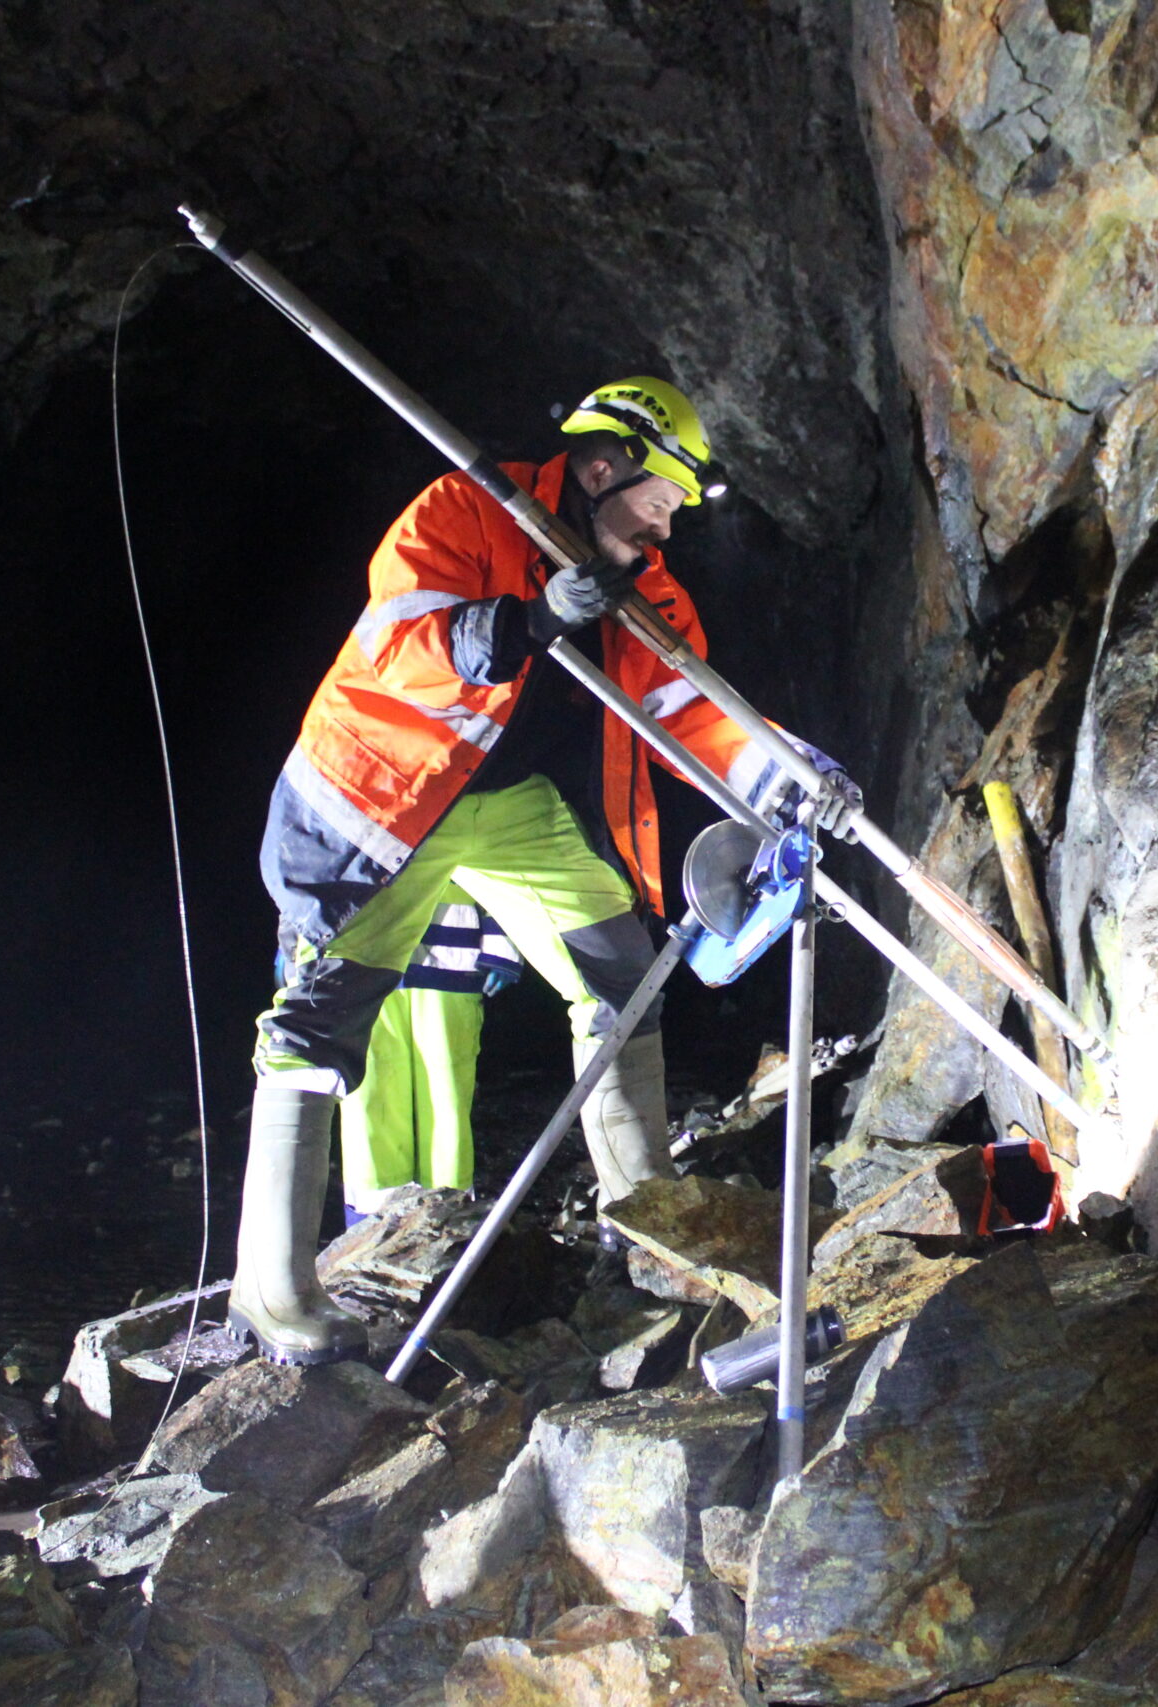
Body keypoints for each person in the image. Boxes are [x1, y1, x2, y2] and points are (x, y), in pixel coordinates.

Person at [231, 376, 851, 1363]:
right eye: (659, 503)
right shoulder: (463, 510)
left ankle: (644, 1243)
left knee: (621, 974)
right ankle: (273, 1289)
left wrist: (793, 777)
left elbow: (693, 710)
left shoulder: (645, 591)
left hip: (513, 808)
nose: (667, 530)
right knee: (318, 1021)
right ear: (602, 468)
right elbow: (398, 644)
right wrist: (529, 617)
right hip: (392, 800)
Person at [338, 885, 521, 1219]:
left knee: (446, 1093)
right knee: (367, 1090)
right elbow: (314, 858)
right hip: (359, 961)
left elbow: (502, 865)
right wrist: (299, 944)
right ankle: (371, 1220)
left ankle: (448, 1215)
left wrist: (503, 945)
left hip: (450, 963)